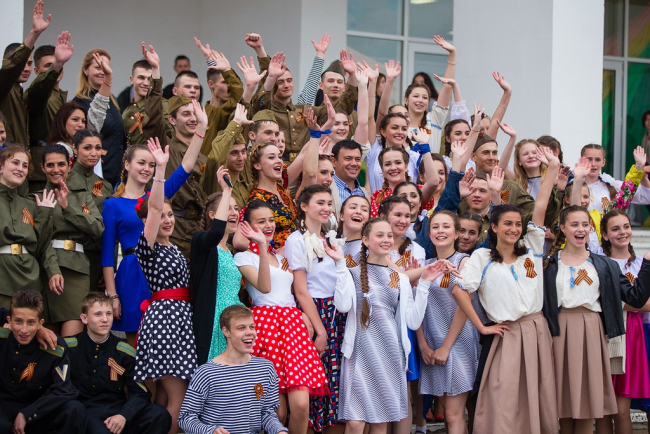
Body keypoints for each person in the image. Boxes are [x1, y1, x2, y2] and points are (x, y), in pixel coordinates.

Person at [450, 146, 561, 434]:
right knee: (503, 398)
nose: (513, 229)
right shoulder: (481, 257)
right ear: (495, 228)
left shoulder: (532, 248)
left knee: (537, 396)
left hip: (536, 330)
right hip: (506, 333)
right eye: (507, 224)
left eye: (517, 224)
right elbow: (460, 291)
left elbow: (540, 205)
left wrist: (553, 167)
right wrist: (481, 327)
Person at [334, 217, 450, 433]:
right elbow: (342, 305)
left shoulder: (399, 278)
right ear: (366, 240)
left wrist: (424, 284)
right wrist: (341, 265)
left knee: (380, 421)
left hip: (390, 352)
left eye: (389, 235)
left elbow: (413, 320)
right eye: (380, 235)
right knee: (355, 422)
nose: (386, 239)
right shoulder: (352, 271)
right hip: (359, 352)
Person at [544, 205, 650, 434]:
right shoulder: (550, 263)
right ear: (563, 228)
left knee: (587, 404)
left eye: (585, 224)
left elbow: (636, 297)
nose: (581, 229)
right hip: (559, 331)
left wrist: (648, 265)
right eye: (574, 224)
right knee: (562, 404)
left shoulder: (604, 264)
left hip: (591, 331)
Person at [235, 200, 330, 433]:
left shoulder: (282, 257)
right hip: (265, 326)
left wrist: (301, 314)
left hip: (292, 326)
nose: (268, 225)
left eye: (271, 220)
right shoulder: (243, 257)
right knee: (276, 410)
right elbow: (265, 287)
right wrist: (260, 245)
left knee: (301, 405)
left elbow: (293, 290)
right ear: (247, 226)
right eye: (261, 221)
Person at [101, 127, 198, 343]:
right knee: (134, 343)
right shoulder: (112, 205)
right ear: (127, 164)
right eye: (141, 163)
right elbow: (107, 256)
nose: (147, 169)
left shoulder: (157, 196)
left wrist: (200, 130)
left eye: (151, 165)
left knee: (164, 339)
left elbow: (186, 167)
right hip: (132, 272)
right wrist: (112, 295)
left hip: (161, 273)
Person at [134, 137, 197, 434]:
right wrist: (160, 170)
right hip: (165, 320)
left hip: (179, 319)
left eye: (171, 215)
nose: (167, 220)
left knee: (162, 397)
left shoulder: (174, 248)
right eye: (161, 216)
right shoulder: (148, 248)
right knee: (178, 399)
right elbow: (155, 206)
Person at [284, 185, 349, 432]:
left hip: (338, 312)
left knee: (335, 379)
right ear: (304, 206)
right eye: (320, 203)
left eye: (329, 203)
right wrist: (320, 330)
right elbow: (301, 290)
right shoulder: (296, 240)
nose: (326, 208)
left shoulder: (331, 238)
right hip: (316, 312)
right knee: (316, 378)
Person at [65, 292, 171, 434]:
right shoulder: (71, 347)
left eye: (108, 314)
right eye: (98, 314)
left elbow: (140, 392)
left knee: (159, 414)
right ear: (84, 318)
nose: (105, 319)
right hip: (87, 411)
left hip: (118, 410)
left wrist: (124, 415)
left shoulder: (124, 351)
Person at [178, 305, 289, 434]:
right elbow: (185, 418)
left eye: (252, 327)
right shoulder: (206, 373)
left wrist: (280, 431)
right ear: (226, 331)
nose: (249, 332)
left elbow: (267, 414)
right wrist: (211, 431)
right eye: (241, 328)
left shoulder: (266, 368)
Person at [417, 210, 478, 434]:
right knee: (447, 411)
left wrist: (446, 347)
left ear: (456, 233)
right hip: (432, 341)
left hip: (457, 342)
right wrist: (423, 344)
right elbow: (415, 306)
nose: (440, 231)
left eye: (446, 226)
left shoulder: (464, 261)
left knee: (453, 414)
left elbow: (464, 306)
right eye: (435, 227)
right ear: (429, 233)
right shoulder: (427, 264)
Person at [39, 145, 104, 337]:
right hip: (47, 270)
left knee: (72, 341)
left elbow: (98, 228)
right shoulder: (35, 199)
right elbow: (41, 240)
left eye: (61, 164)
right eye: (50, 165)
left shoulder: (82, 196)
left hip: (77, 269)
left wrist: (68, 208)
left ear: (69, 165)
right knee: (48, 340)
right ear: (42, 168)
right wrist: (53, 270)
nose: (56, 170)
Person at [0, 289, 85, 434]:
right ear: (9, 320)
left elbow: (64, 390)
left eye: (31, 322)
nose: (24, 330)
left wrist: (29, 413)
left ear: (40, 323)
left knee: (74, 408)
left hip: (34, 410)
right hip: (2, 408)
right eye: (18, 321)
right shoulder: (3, 338)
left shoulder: (54, 348)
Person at [597, 210, 650, 433]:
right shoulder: (600, 264)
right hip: (607, 333)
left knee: (623, 409)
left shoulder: (642, 263)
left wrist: (621, 301)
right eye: (615, 229)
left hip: (638, 334)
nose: (623, 232)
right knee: (604, 409)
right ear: (605, 235)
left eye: (626, 227)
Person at [190, 166, 242, 365]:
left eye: (236, 208)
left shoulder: (230, 251)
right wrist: (226, 191)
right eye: (228, 207)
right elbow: (215, 233)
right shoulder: (201, 242)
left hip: (233, 320)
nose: (234, 212)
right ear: (213, 215)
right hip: (213, 321)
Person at [0, 2, 68, 149]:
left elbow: (38, 92)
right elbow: (9, 70)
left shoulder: (20, 93)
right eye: (23, 63)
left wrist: (57, 65)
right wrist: (34, 34)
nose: (26, 69)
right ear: (6, 62)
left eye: (30, 63)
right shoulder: (4, 88)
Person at [0, 145, 58, 309]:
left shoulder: (30, 204)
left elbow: (43, 245)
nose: (20, 169)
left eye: (25, 166)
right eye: (15, 163)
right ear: (1, 166)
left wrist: (45, 213)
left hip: (29, 276)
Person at [67, 130, 112, 293]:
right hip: (71, 254)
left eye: (98, 148)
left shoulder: (105, 186)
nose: (94, 153)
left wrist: (109, 266)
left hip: (97, 256)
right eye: (87, 148)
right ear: (75, 148)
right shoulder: (64, 180)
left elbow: (110, 228)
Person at [73, 49, 126, 185]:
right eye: (98, 67)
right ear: (86, 70)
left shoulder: (113, 100)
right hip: (97, 175)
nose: (103, 71)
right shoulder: (79, 102)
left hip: (118, 175)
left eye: (106, 67)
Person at [165, 95, 208, 256]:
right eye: (186, 114)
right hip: (177, 231)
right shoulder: (167, 148)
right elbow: (153, 117)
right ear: (172, 120)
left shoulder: (203, 157)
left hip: (200, 228)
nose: (193, 118)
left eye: (194, 114)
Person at [122, 43, 168, 147]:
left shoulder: (162, 105)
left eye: (149, 79)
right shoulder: (127, 111)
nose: (146, 83)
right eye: (141, 78)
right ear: (131, 79)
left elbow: (171, 136)